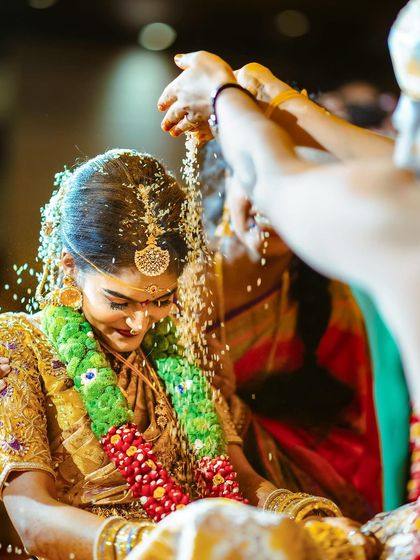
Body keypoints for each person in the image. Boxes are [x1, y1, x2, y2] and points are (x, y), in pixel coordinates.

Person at [0, 149, 344, 560]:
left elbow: (241, 481)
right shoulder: (20, 344)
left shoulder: (176, 349)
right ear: (70, 267)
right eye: (119, 301)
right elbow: (31, 518)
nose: (140, 323)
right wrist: (161, 545)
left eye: (162, 299)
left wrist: (308, 520)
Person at [157, 0, 420, 510]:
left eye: (409, 100)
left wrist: (221, 93)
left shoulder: (393, 223)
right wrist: (282, 105)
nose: (398, 119)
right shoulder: (186, 280)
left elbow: (273, 178)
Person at [200, 146, 382, 521]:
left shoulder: (331, 294)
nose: (273, 204)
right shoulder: (172, 282)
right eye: (255, 179)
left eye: (291, 186)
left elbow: (355, 435)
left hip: (289, 488)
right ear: (224, 179)